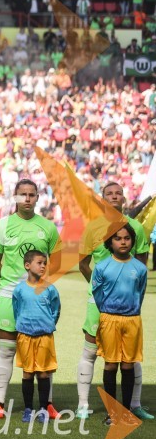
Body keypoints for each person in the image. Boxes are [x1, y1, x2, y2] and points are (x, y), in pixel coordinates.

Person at [77, 182, 152, 419]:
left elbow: (140, 263)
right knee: (91, 351)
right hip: (98, 302)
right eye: (109, 193)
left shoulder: (136, 227)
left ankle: (134, 405)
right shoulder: (93, 228)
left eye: (118, 193)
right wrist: (101, 286)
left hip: (127, 305)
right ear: (102, 198)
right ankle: (82, 404)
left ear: (123, 197)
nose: (114, 196)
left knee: (131, 357)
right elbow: (83, 263)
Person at [0, 179, 61, 420]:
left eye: (31, 194)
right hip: (10, 296)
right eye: (22, 194)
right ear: (15, 197)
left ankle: (47, 404)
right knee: (7, 351)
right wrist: (17, 285)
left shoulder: (48, 228)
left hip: (38, 297)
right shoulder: (2, 226)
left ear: (38, 197)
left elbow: (57, 261)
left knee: (42, 353)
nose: (27, 199)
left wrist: (35, 286)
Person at [93, 224, 148, 425]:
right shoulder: (102, 267)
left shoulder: (140, 268)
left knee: (128, 364)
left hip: (132, 319)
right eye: (118, 238)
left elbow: (139, 294)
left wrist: (130, 310)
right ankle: (112, 412)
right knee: (110, 364)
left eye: (127, 238)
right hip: (109, 318)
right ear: (110, 243)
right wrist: (108, 312)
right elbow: (98, 295)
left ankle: (126, 411)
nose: (123, 242)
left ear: (132, 241)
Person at [13, 250, 60, 424]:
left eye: (44, 263)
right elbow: (16, 309)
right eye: (39, 262)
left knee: (42, 373)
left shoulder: (50, 288)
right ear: (27, 265)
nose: (43, 266)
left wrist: (47, 324)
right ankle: (27, 409)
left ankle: (42, 409)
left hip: (44, 336)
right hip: (25, 336)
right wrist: (24, 324)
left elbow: (56, 310)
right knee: (27, 373)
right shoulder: (19, 289)